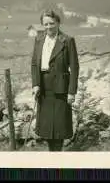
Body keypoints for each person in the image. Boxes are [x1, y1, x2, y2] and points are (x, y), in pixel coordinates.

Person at [31, 9, 80, 151]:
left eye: (51, 23)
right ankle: (51, 152)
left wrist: (72, 92)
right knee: (46, 126)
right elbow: (34, 63)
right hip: (43, 87)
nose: (48, 27)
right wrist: (35, 84)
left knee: (59, 126)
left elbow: (75, 67)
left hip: (61, 88)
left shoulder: (67, 41)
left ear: (58, 23)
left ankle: (57, 156)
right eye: (45, 24)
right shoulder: (39, 39)